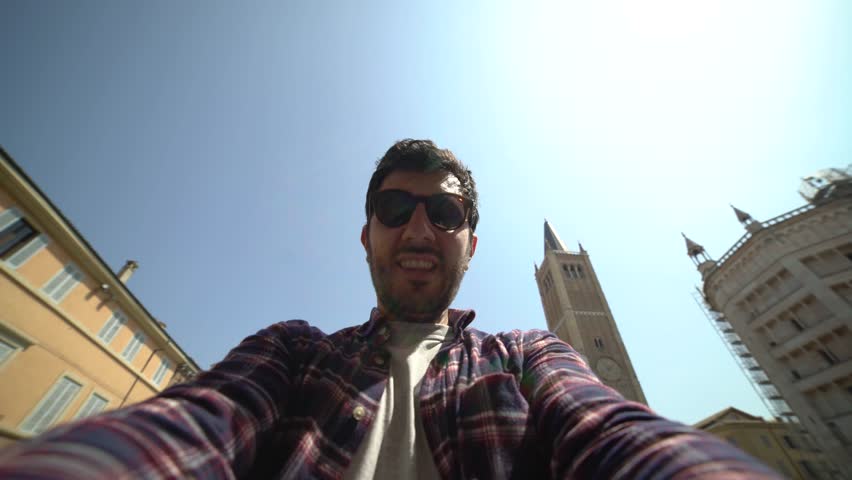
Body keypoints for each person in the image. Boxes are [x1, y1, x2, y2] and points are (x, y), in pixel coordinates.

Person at [0, 139, 779, 479]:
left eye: (443, 214)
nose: (417, 227)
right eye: (395, 206)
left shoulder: (527, 356)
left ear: (470, 246)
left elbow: (609, 432)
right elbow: (197, 423)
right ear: (365, 233)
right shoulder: (296, 354)